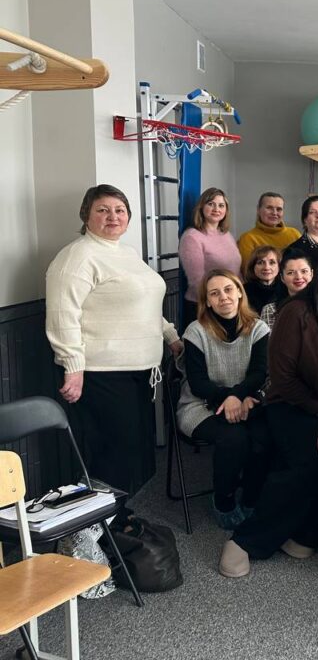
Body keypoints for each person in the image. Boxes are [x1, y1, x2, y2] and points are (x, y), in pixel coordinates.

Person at [219, 246, 318, 578]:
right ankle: (246, 540)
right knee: (312, 459)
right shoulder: (296, 311)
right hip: (293, 405)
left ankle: (302, 528)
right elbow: (283, 379)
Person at [45, 184, 183, 496]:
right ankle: (99, 523)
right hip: (100, 373)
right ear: (86, 215)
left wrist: (170, 337)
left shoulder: (126, 253)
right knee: (111, 453)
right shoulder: (77, 256)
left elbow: (144, 305)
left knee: (130, 451)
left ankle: (118, 516)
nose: (113, 216)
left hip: (139, 370)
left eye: (120, 210)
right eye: (103, 210)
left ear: (128, 217)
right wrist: (73, 367)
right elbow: (62, 314)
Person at [177, 270, 270, 529]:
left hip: (245, 399)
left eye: (229, 290)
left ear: (240, 292)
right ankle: (224, 500)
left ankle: (251, 498)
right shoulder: (196, 331)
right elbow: (198, 384)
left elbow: (259, 373)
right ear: (207, 301)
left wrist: (238, 397)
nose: (223, 297)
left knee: (263, 436)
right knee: (234, 438)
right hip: (200, 404)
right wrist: (229, 398)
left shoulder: (258, 328)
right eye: (214, 293)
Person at [178, 187, 243, 328]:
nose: (216, 209)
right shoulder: (192, 237)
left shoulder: (226, 235)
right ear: (201, 207)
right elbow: (197, 281)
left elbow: (236, 273)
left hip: (230, 304)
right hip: (204, 306)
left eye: (221, 205)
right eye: (211, 204)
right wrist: (220, 302)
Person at [237, 191, 301, 265]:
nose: (274, 213)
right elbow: (248, 269)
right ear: (258, 210)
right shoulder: (248, 238)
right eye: (269, 208)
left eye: (279, 209)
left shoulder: (294, 234)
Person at [259, 251, 313, 331]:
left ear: (311, 274)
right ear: (282, 277)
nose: (298, 277)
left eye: (304, 271)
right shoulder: (271, 310)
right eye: (291, 273)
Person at [243, 245, 280, 314]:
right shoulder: (244, 291)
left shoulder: (287, 288)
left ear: (279, 266)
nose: (266, 267)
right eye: (260, 263)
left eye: (272, 262)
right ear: (252, 267)